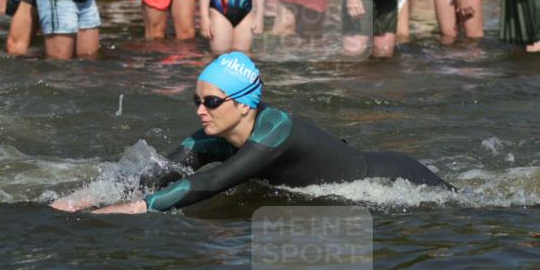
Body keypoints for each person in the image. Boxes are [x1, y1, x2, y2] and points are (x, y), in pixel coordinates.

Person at [50, 51, 455, 214]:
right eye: (196, 100)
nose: (200, 110)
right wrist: (80, 201)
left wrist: (135, 209)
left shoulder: (276, 130)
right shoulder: (209, 139)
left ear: (244, 104)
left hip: (393, 179)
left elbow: (216, 180)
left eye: (211, 102)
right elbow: (158, 172)